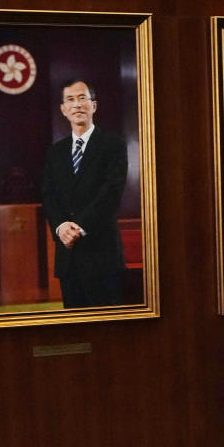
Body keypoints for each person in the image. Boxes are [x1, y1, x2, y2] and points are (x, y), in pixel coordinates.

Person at [42, 79, 128, 308]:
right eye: (70, 100)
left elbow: (111, 193)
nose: (77, 105)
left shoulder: (113, 144)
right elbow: (49, 196)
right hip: (68, 258)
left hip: (102, 257)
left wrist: (77, 228)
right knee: (75, 333)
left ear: (94, 105)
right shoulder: (55, 152)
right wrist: (61, 227)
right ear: (63, 109)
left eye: (82, 98)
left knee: (107, 331)